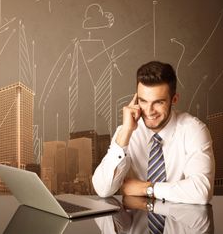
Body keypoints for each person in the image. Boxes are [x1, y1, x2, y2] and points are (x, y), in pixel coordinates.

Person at [92, 61, 215, 204]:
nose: (149, 111)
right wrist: (125, 132)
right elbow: (103, 189)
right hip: (136, 220)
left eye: (158, 102)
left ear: (174, 99)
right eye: (143, 101)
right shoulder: (127, 130)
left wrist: (148, 189)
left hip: (180, 222)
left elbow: (202, 191)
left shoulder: (194, 130)